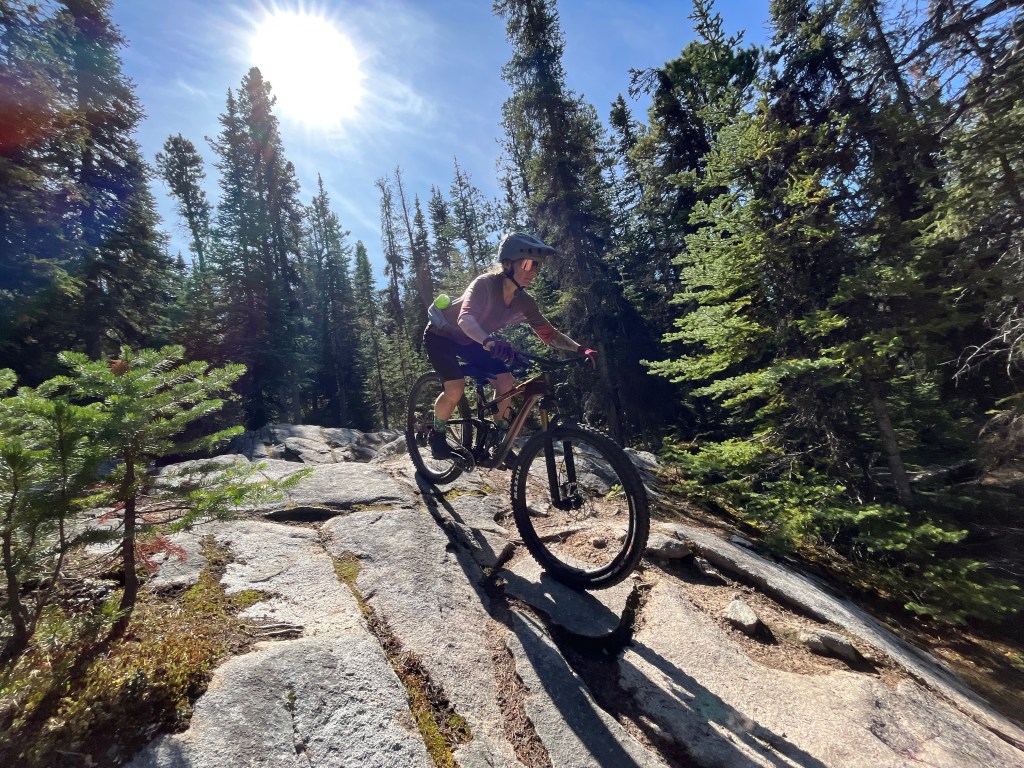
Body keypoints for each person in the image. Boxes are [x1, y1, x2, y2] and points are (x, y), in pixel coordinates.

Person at [423, 231, 597, 461]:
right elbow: (465, 319)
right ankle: (437, 435)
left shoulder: (525, 301)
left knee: (506, 380)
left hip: (472, 339)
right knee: (455, 387)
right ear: (507, 264)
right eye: (527, 264)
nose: (533, 271)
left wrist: (579, 349)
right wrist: (489, 341)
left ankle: (498, 440)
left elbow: (549, 333)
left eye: (537, 266)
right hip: (442, 335)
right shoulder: (484, 284)